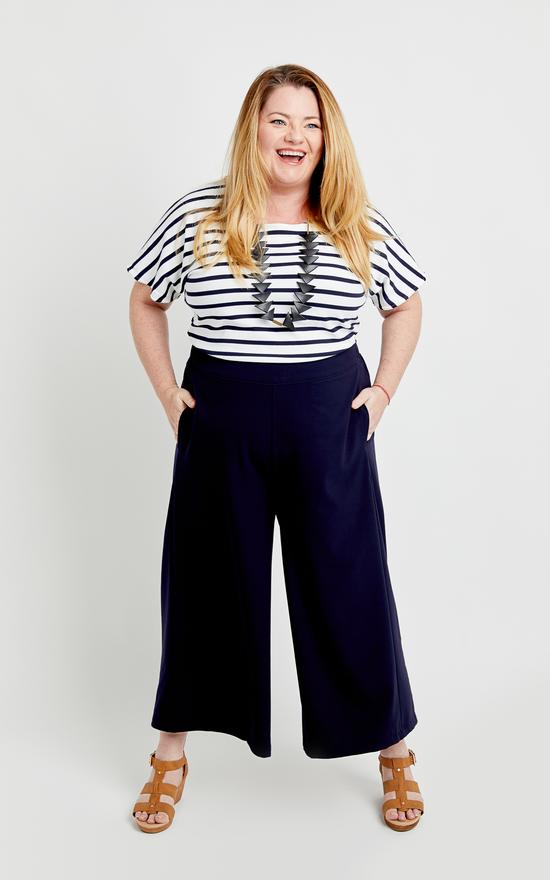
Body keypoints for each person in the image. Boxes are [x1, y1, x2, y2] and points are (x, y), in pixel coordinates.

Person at [126, 63, 427, 834]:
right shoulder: (197, 215)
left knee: (349, 580)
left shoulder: (353, 218)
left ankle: (393, 749)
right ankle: (170, 753)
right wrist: (167, 392)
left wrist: (382, 391)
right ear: (252, 129)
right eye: (280, 120)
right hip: (220, 414)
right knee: (202, 582)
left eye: (311, 123)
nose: (296, 137)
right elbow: (146, 299)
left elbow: (405, 304)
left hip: (328, 415)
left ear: (328, 138)